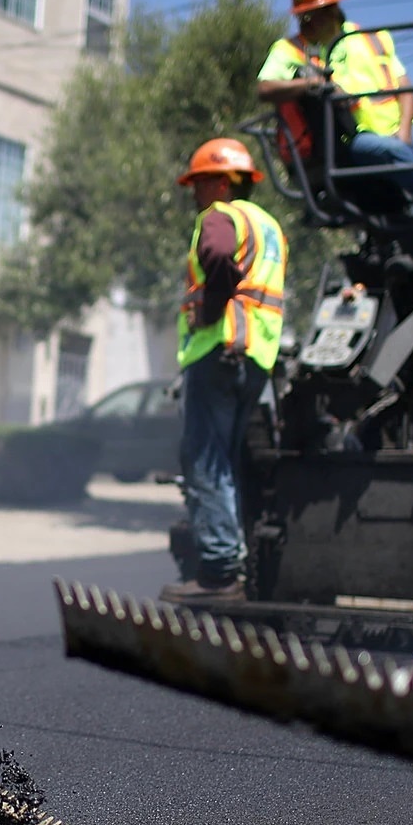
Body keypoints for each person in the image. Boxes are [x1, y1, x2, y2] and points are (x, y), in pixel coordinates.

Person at [160, 138, 286, 605]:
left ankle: (217, 574)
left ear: (220, 181)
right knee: (226, 464)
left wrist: (211, 310)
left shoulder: (220, 217)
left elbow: (216, 259)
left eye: (198, 184)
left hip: (219, 349)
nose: (194, 194)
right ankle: (233, 564)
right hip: (256, 358)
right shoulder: (270, 226)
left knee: (204, 460)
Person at [255, 0, 413, 225]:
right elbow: (265, 89)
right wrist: (311, 83)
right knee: (392, 153)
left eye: (313, 15)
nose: (306, 23)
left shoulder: (370, 39)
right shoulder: (292, 50)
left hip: (401, 129)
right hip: (355, 138)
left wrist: (405, 132)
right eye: (303, 17)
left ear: (332, 11)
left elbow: (404, 87)